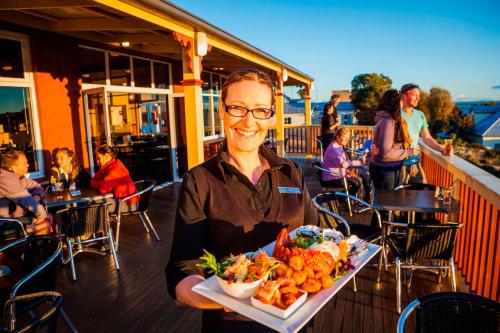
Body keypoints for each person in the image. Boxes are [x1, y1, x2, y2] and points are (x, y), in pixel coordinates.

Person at [165, 68, 317, 332]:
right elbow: (182, 269)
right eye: (237, 108)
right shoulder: (200, 182)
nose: (249, 122)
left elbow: (313, 234)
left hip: (294, 317)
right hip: (233, 325)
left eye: (260, 110)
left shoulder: (290, 172)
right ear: (222, 111)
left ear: (270, 115)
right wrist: (225, 298)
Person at [400, 83, 452, 184]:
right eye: (415, 95)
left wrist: (441, 149)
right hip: (398, 164)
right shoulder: (395, 114)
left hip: (415, 163)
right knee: (399, 196)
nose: (418, 98)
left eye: (419, 96)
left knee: (421, 190)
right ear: (404, 95)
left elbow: (427, 137)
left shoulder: (420, 115)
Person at [369, 90, 417, 190]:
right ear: (396, 103)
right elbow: (385, 153)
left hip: (385, 169)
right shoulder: (388, 122)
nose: (402, 103)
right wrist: (408, 152)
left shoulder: (383, 119)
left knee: (385, 203)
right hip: (387, 171)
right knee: (387, 204)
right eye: (401, 101)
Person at [0, 150, 51, 234]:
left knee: (49, 217)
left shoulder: (19, 178)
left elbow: (37, 186)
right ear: (13, 167)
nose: (28, 165)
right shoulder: (4, 178)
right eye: (24, 163)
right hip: (4, 223)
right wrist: (41, 214)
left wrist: (37, 196)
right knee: (45, 223)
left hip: (17, 218)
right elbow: (24, 198)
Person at [322, 127, 372, 201]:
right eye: (345, 138)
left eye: (348, 138)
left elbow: (340, 164)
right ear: (338, 137)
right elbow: (343, 164)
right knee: (357, 182)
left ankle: (347, 199)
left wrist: (348, 171)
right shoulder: (334, 148)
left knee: (359, 180)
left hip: (337, 173)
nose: (347, 140)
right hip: (332, 176)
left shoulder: (338, 145)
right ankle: (339, 199)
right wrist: (359, 162)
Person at [90, 145, 138, 212]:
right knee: (95, 201)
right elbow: (93, 180)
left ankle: (101, 222)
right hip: (120, 200)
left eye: (98, 158)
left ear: (107, 156)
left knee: (96, 202)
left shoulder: (115, 168)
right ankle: (105, 221)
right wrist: (97, 183)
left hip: (129, 204)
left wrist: (95, 183)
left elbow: (103, 188)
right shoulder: (106, 167)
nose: (97, 162)